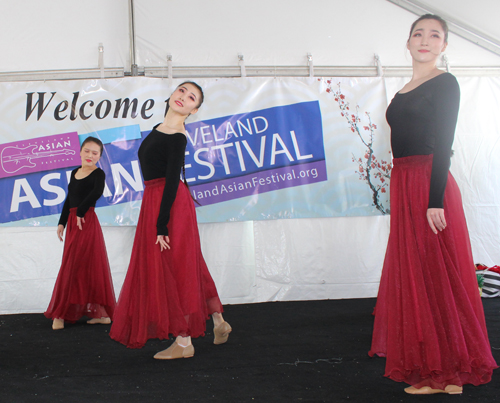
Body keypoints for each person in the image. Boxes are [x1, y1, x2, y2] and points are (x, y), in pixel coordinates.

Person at [369, 14, 497, 395]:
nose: (425, 40)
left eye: (434, 35)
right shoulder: (405, 88)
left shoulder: (445, 83)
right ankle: (433, 366)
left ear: (444, 45)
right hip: (404, 181)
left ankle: (450, 373)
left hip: (428, 184)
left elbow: (444, 143)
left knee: (438, 274)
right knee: (420, 274)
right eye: (418, 34)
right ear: (408, 43)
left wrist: (435, 199)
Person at [110, 81, 231, 359]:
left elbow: (172, 182)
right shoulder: (158, 128)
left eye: (191, 98)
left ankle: (185, 342)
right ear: (172, 94)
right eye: (182, 91)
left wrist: (161, 224)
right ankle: (218, 321)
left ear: (194, 109)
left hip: (169, 204)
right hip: (156, 201)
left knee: (176, 267)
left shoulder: (177, 136)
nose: (183, 97)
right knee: (190, 262)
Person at [45, 136, 116, 329]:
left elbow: (96, 193)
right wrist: (61, 222)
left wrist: (82, 211)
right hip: (73, 221)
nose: (90, 155)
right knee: (72, 264)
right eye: (87, 151)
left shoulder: (98, 173)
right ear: (80, 151)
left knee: (82, 265)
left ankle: (68, 314)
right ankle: (68, 313)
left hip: (86, 221)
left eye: (95, 153)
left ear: (100, 156)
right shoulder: (75, 172)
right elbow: (70, 199)